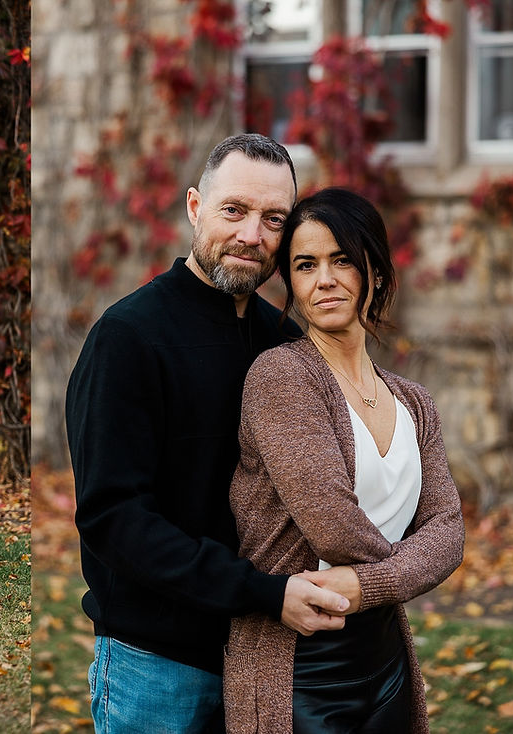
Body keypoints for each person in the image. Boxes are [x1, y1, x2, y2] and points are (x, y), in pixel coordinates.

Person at [65, 133, 351, 733]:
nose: (253, 235)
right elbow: (113, 519)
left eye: (274, 219)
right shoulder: (129, 337)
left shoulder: (288, 345)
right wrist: (263, 593)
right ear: (195, 207)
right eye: (234, 210)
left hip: (266, 659)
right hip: (157, 663)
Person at [224, 187, 464, 733]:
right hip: (298, 669)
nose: (324, 279)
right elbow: (331, 525)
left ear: (374, 273)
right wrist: (412, 566)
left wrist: (375, 585)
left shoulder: (414, 401)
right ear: (291, 281)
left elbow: (448, 530)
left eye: (342, 261)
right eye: (305, 265)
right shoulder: (283, 377)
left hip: (385, 659)